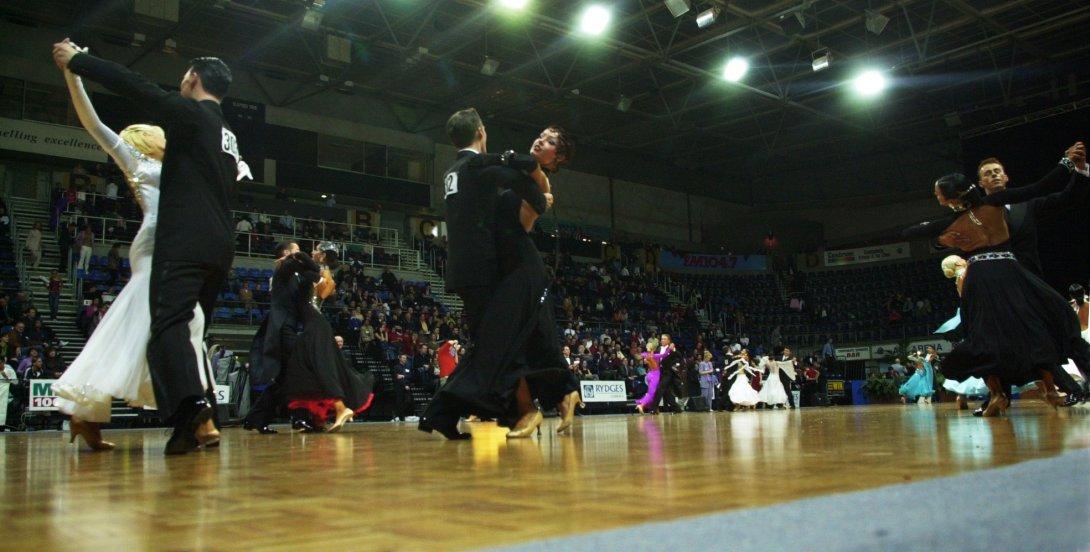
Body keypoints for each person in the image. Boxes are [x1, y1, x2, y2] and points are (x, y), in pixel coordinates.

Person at [54, 40, 249, 454]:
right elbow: (96, 126)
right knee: (182, 331)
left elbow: (135, 84)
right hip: (204, 243)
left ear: (192, 78)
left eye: (183, 76)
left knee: (170, 330)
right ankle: (192, 419)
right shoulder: (223, 136)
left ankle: (191, 411)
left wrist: (79, 62)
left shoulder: (191, 115)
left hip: (182, 241)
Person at [422, 124, 577, 439]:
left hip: (519, 264)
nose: (540, 140)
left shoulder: (541, 185)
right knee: (533, 337)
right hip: (505, 265)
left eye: (549, 142)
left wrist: (533, 181)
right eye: (541, 135)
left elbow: (521, 225)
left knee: (510, 338)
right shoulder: (520, 175)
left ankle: (534, 406)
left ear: (556, 159)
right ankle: (563, 393)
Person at [902, 161, 1089, 416]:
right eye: (987, 173)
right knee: (1030, 331)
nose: (936, 197)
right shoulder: (994, 205)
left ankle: (1006, 393)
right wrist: (1064, 164)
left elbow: (910, 232)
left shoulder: (955, 222)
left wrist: (939, 237)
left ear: (951, 197)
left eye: (937, 194)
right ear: (975, 184)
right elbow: (1040, 185)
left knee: (984, 335)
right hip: (1011, 274)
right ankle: (1035, 391)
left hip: (986, 277)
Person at [278, 243, 374, 432]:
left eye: (315, 250)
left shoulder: (320, 271)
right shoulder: (315, 271)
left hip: (315, 323)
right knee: (311, 367)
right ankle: (319, 417)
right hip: (313, 323)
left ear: (321, 256)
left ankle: (339, 408)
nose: (311, 252)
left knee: (318, 366)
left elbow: (325, 292)